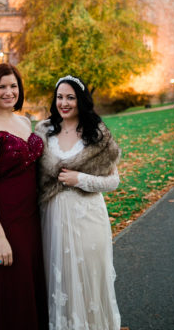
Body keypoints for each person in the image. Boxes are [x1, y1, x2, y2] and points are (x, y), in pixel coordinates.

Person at [35, 75, 122, 330]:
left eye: (70, 97)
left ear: (80, 100)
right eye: (60, 97)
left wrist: (79, 178)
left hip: (88, 219)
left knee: (87, 279)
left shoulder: (96, 133)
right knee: (58, 279)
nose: (64, 103)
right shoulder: (44, 132)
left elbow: (113, 181)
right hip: (52, 218)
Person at [0, 64, 48, 329]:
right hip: (3, 218)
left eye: (13, 86)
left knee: (30, 278)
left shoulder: (24, 121)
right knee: (10, 283)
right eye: (2, 86)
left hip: (30, 215)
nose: (8, 92)